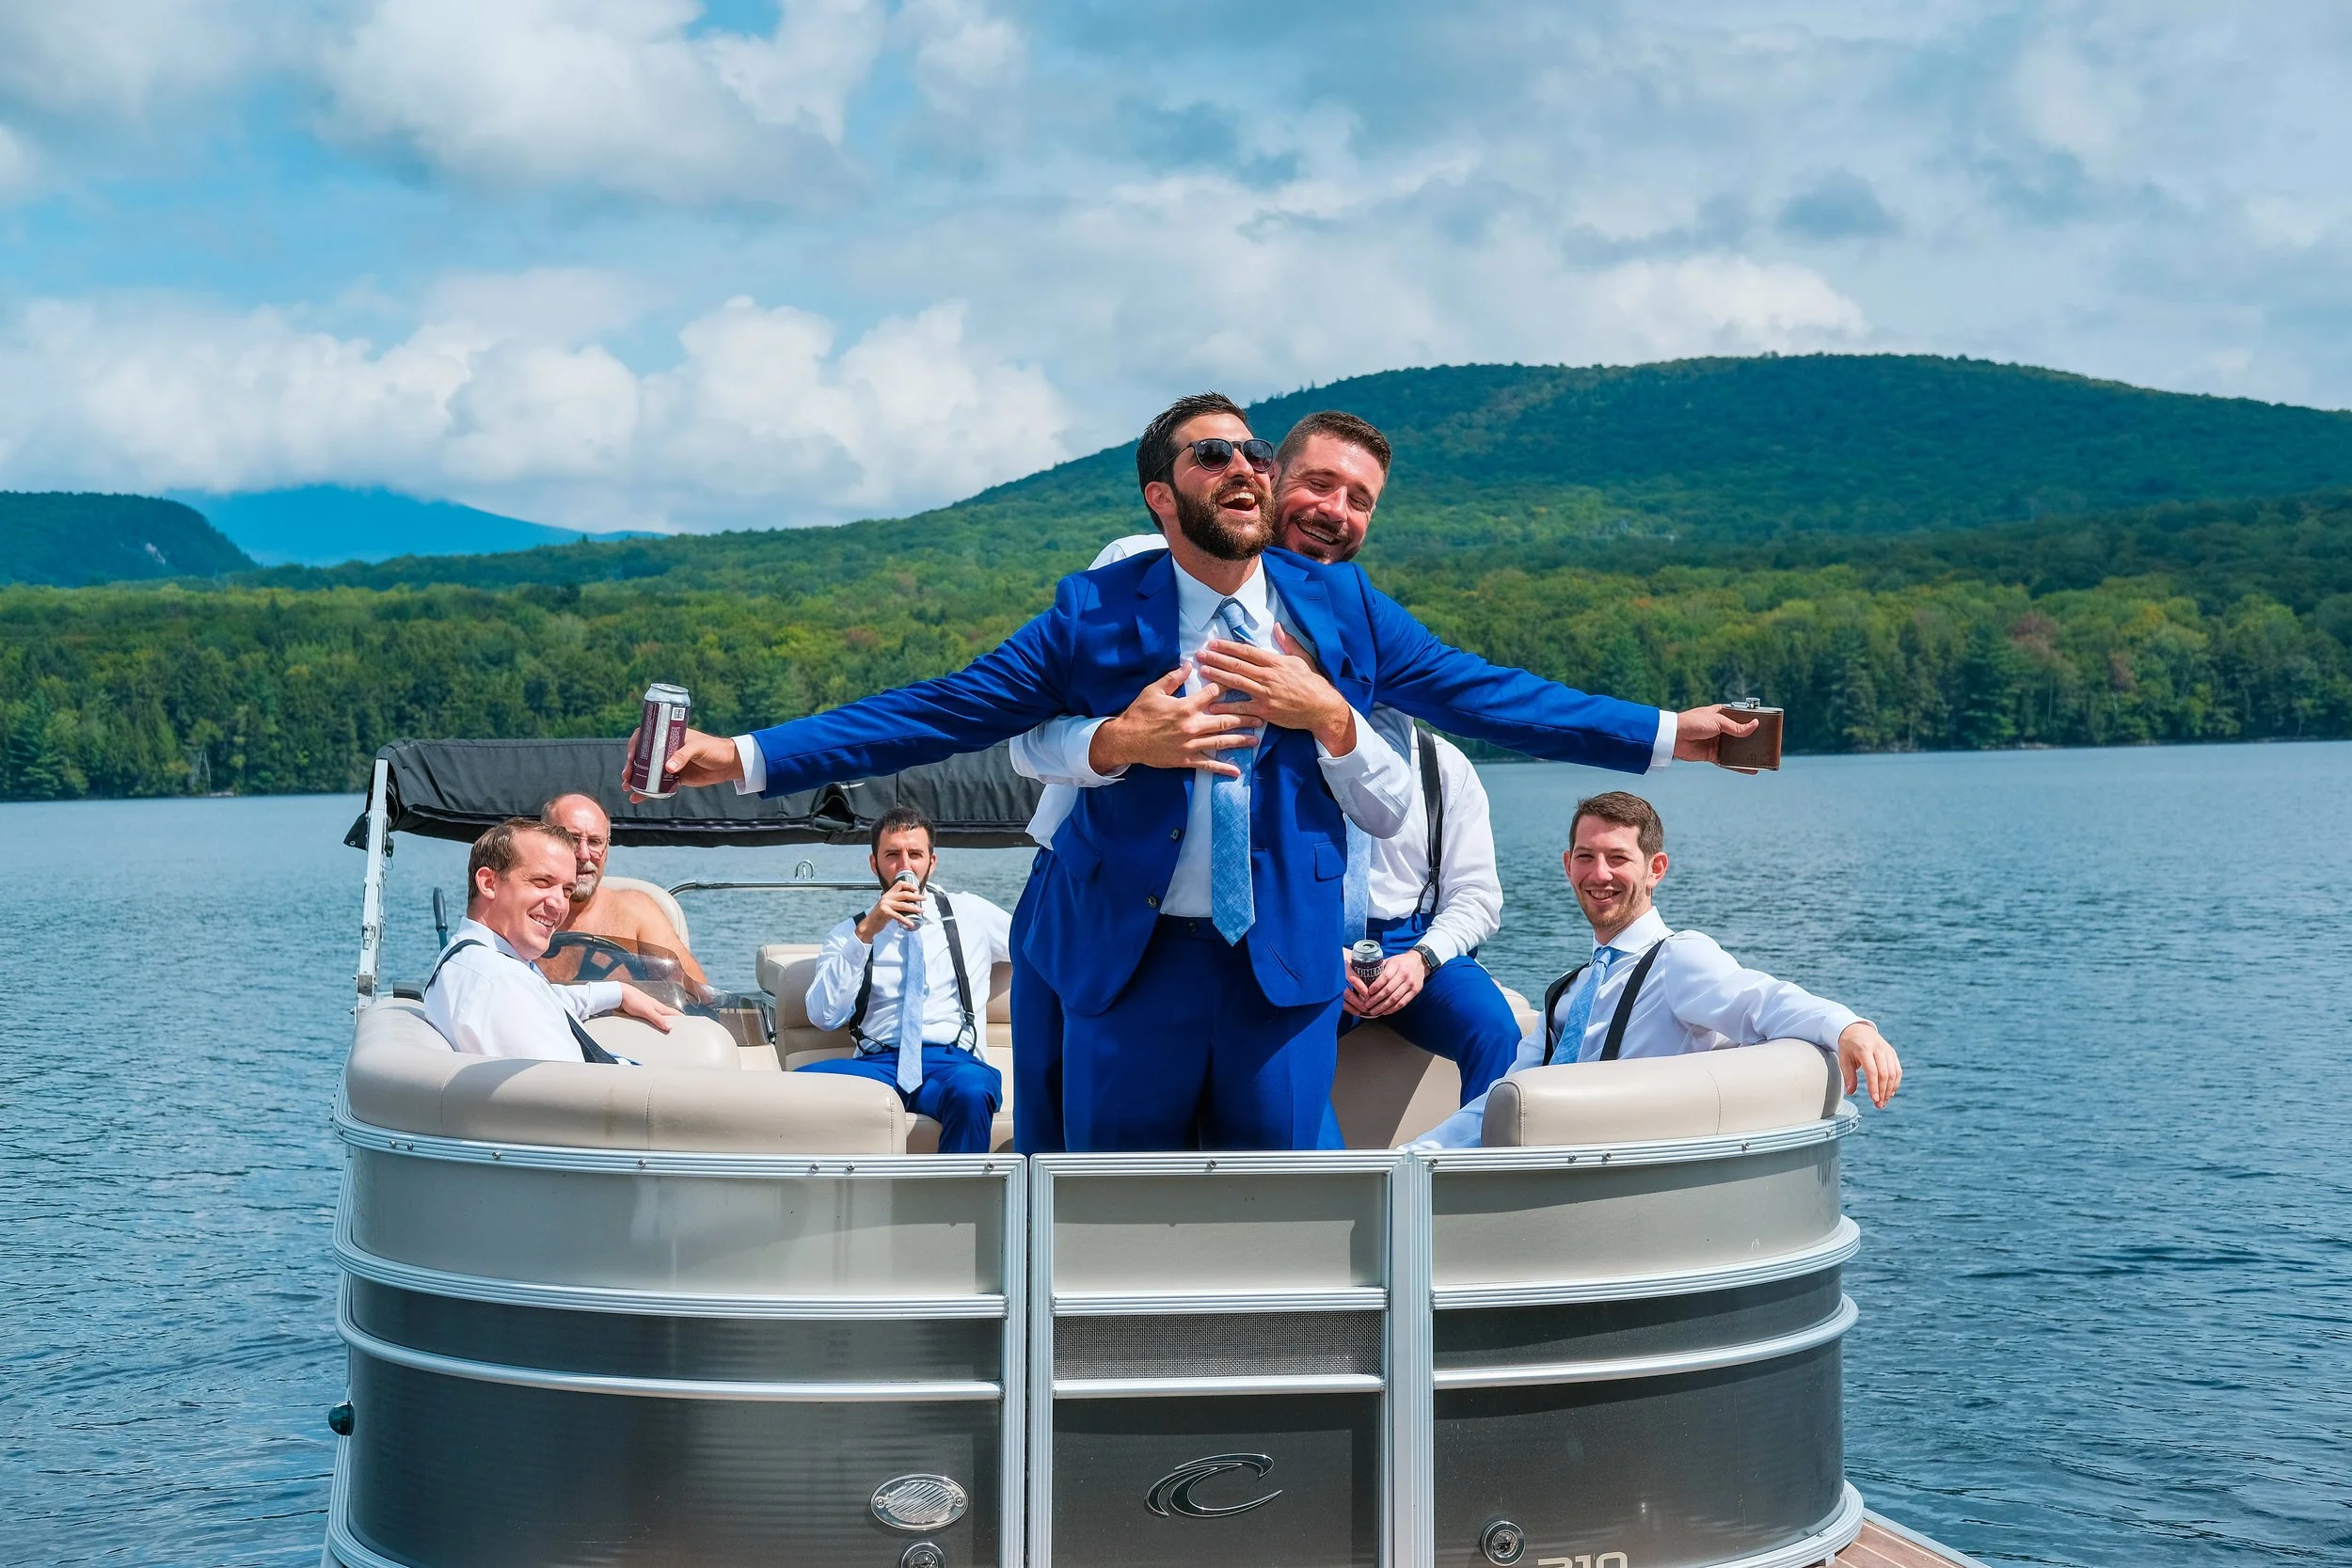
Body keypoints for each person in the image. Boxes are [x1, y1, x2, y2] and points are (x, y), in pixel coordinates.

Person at [637, 392, 1757, 1153]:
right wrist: (741, 755)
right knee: (1114, 1201)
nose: (1245, 468)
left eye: (1253, 454)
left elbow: (1494, 693)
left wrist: (1674, 733)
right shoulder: (1098, 607)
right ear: (1161, 497)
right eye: (1212, 454)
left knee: (1285, 1203)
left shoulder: (1341, 608)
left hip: (1283, 964)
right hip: (1132, 962)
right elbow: (942, 709)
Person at [1013, 411, 1525, 1140]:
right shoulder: (1139, 569)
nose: (1333, 512)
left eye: (1359, 500)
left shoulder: (1354, 628)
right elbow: (1030, 736)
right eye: (1317, 483)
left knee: (1288, 1169)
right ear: (1267, 478)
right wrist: (1119, 738)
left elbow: (1387, 799)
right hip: (1091, 902)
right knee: (1057, 1146)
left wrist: (1326, 704)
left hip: (1283, 943)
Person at [1410, 791, 1902, 1148]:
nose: (1599, 875)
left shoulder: (1677, 960)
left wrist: (1849, 1028)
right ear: (1567, 865)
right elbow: (1498, 1100)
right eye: (1586, 857)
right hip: (1537, 1172)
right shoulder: (1569, 991)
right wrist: (1412, 1160)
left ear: (1655, 869)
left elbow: (1761, 1000)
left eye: (1618, 858)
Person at [797, 804, 1014, 1154]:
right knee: (791, 1088)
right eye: (892, 855)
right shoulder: (848, 933)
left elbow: (1038, 946)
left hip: (952, 1062)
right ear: (875, 864)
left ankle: (960, 1205)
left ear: (931, 861)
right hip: (877, 1064)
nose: (904, 866)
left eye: (914, 854)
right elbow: (823, 1017)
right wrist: (867, 932)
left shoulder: (971, 913)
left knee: (972, 1090)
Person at [423, 817, 679, 1061]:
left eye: (567, 890)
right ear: (489, 883)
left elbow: (544, 1001)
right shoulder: (500, 984)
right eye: (542, 882)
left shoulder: (470, 958)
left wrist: (617, 991)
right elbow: (573, 1096)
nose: (559, 905)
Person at [539, 792, 711, 993]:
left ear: (607, 849)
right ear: (544, 842)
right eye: (571, 839)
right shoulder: (516, 911)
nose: (584, 855)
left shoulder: (637, 912)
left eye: (595, 842)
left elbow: (698, 996)